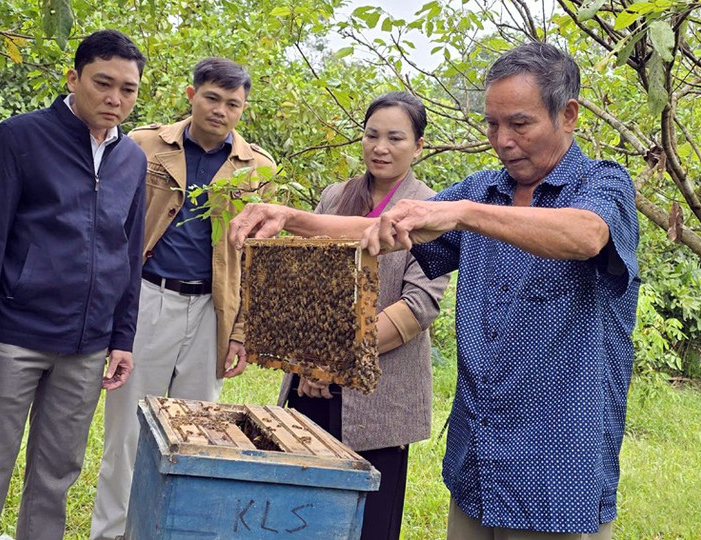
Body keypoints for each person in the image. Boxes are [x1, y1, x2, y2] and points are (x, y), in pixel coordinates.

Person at [229, 42, 639, 539]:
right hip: (479, 460)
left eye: (520, 124)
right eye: (492, 124)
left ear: (568, 114)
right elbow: (383, 230)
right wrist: (291, 218)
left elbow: (586, 235)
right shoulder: (486, 188)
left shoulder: (603, 183)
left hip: (556, 470)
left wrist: (463, 213)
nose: (502, 140)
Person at [0, 30, 147, 540]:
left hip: (86, 347)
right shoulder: (20, 138)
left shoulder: (133, 160)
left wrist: (122, 337)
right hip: (14, 339)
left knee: (56, 478)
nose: (114, 99)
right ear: (73, 78)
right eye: (103, 83)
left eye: (128, 89)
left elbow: (129, 253)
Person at [90, 57, 276, 540]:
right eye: (212, 98)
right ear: (191, 96)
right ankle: (111, 534)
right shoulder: (144, 144)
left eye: (233, 103)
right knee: (127, 433)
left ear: (243, 109)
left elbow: (256, 260)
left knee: (196, 432)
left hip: (212, 312)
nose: (221, 110)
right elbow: (112, 226)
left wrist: (240, 332)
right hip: (148, 300)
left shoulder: (257, 168)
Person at [276, 91, 449, 540]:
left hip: (380, 391)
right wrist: (309, 364)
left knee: (371, 520)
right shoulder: (335, 197)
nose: (381, 147)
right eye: (372, 135)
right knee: (303, 512)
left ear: (419, 145)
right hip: (309, 381)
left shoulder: (430, 208)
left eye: (395, 137)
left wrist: (334, 361)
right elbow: (302, 282)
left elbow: (418, 306)